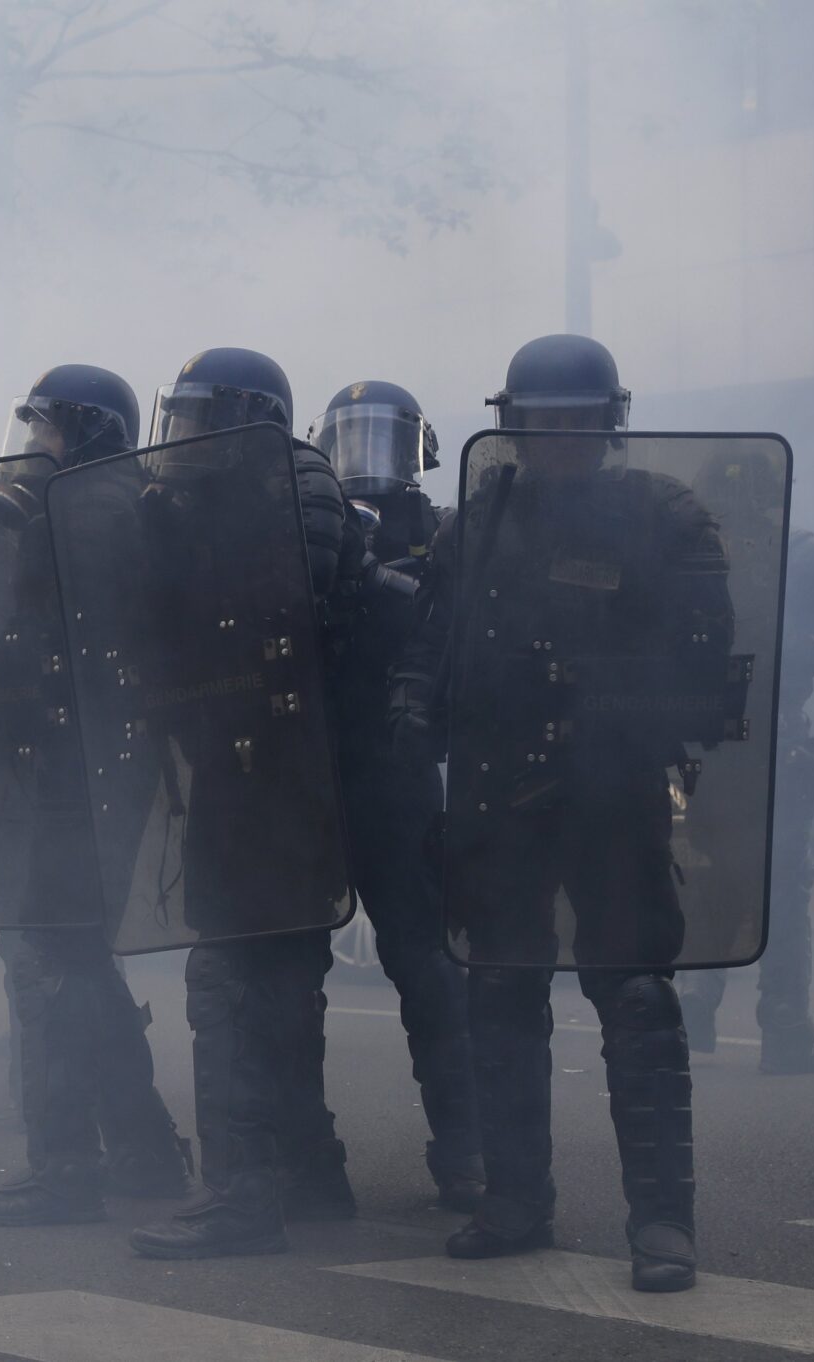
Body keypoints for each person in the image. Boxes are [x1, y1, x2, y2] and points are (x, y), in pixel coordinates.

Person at [389, 333, 717, 1292]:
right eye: (540, 423)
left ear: (609, 424)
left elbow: (705, 664)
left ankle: (662, 1221)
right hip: (498, 794)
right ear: (513, 427)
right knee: (498, 994)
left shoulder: (664, 517)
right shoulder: (476, 525)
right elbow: (432, 642)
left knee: (637, 998)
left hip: (611, 793)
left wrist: (616, 705)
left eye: (577, 422)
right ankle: (516, 1201)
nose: (558, 440)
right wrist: (413, 707)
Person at [122, 348, 366, 1259]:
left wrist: (177, 531)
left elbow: (278, 600)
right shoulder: (196, 495)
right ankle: (309, 1172)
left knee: (231, 979)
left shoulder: (294, 485)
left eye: (191, 419)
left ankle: (241, 1197)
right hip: (239, 765)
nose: (176, 436)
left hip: (284, 769)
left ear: (237, 419)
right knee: (274, 985)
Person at [0, 365, 190, 1226]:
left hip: (79, 766)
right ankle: (142, 1146)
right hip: (92, 761)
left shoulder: (88, 511)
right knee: (76, 958)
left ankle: (65, 1167)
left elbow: (67, 646)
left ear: (84, 432)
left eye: (44, 429)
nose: (31, 446)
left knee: (47, 958)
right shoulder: (105, 504)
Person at [304, 382, 482, 1210]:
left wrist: (384, 577)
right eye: (351, 433)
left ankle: (468, 1151)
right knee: (283, 968)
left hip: (394, 771)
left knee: (431, 967)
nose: (365, 453)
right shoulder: (305, 524)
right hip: (306, 769)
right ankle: (303, 1161)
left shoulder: (443, 535)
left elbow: (455, 636)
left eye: (383, 434)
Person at [682, 519, 814, 1074]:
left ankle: (694, 1008)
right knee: (782, 879)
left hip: (707, 737)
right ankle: (785, 1030)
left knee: (716, 871)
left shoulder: (692, 539)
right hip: (774, 735)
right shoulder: (796, 545)